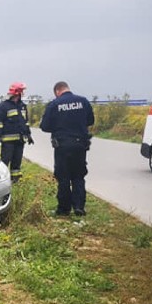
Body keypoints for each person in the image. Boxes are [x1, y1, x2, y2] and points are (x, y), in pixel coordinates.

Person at [40, 81, 95, 216]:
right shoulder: (83, 101)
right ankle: (79, 207)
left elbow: (44, 126)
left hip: (62, 146)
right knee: (78, 176)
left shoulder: (54, 104)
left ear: (57, 91)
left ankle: (64, 209)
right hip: (80, 145)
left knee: (63, 177)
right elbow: (90, 121)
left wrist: (58, 126)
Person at [0, 82, 33, 181]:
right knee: (5, 160)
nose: (22, 93)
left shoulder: (22, 106)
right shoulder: (4, 106)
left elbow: (26, 122)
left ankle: (15, 180)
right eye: (21, 91)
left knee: (17, 161)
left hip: (20, 140)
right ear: (17, 92)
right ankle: (0, 180)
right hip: (8, 141)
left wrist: (28, 135)